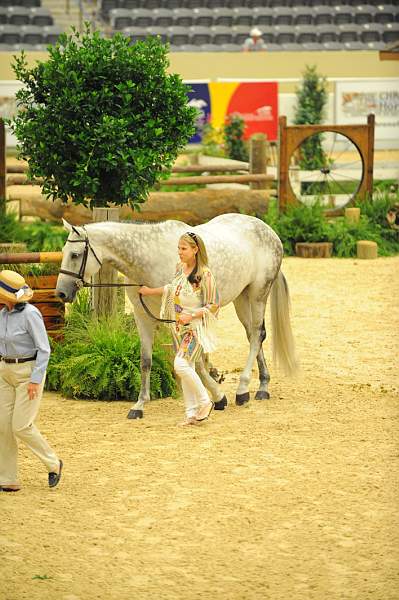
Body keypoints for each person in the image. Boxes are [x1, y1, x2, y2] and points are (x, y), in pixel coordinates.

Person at [139, 232, 220, 426]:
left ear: (195, 250)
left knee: (180, 365)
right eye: (178, 248)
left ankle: (205, 402)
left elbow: (214, 304)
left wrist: (191, 315)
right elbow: (171, 288)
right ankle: (191, 413)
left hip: (197, 329)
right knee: (187, 368)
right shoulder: (180, 269)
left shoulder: (204, 275)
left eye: (183, 249)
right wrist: (149, 291)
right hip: (180, 328)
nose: (180, 252)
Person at [0, 270, 62, 492]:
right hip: (5, 371)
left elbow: (44, 349)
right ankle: (8, 478)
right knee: (3, 427)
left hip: (28, 373)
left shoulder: (31, 314)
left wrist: (36, 379)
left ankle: (53, 463)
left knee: (21, 426)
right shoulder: (3, 315)